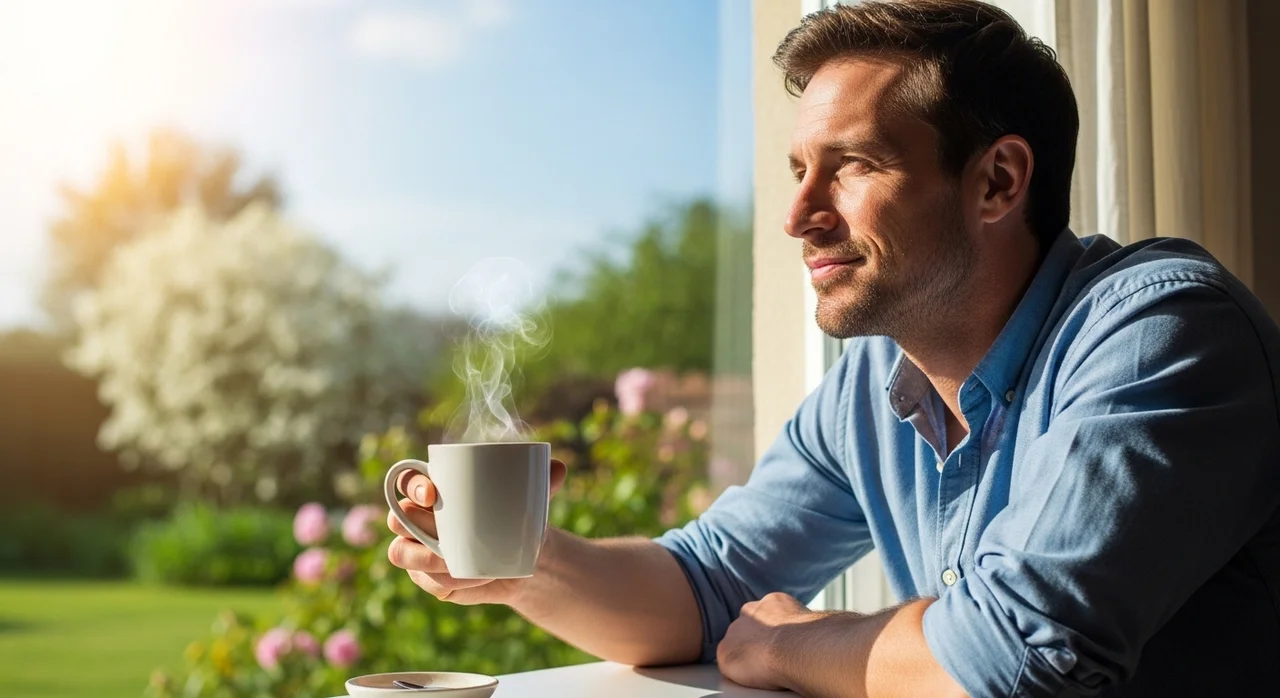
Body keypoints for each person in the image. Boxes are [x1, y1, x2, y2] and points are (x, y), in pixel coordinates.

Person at [386, 1, 1280, 696]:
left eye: (851, 165)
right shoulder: (874, 388)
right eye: (796, 171)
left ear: (998, 181)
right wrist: (516, 559)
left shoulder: (1161, 338)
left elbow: (1016, 658)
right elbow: (704, 588)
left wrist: (789, 644)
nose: (797, 216)